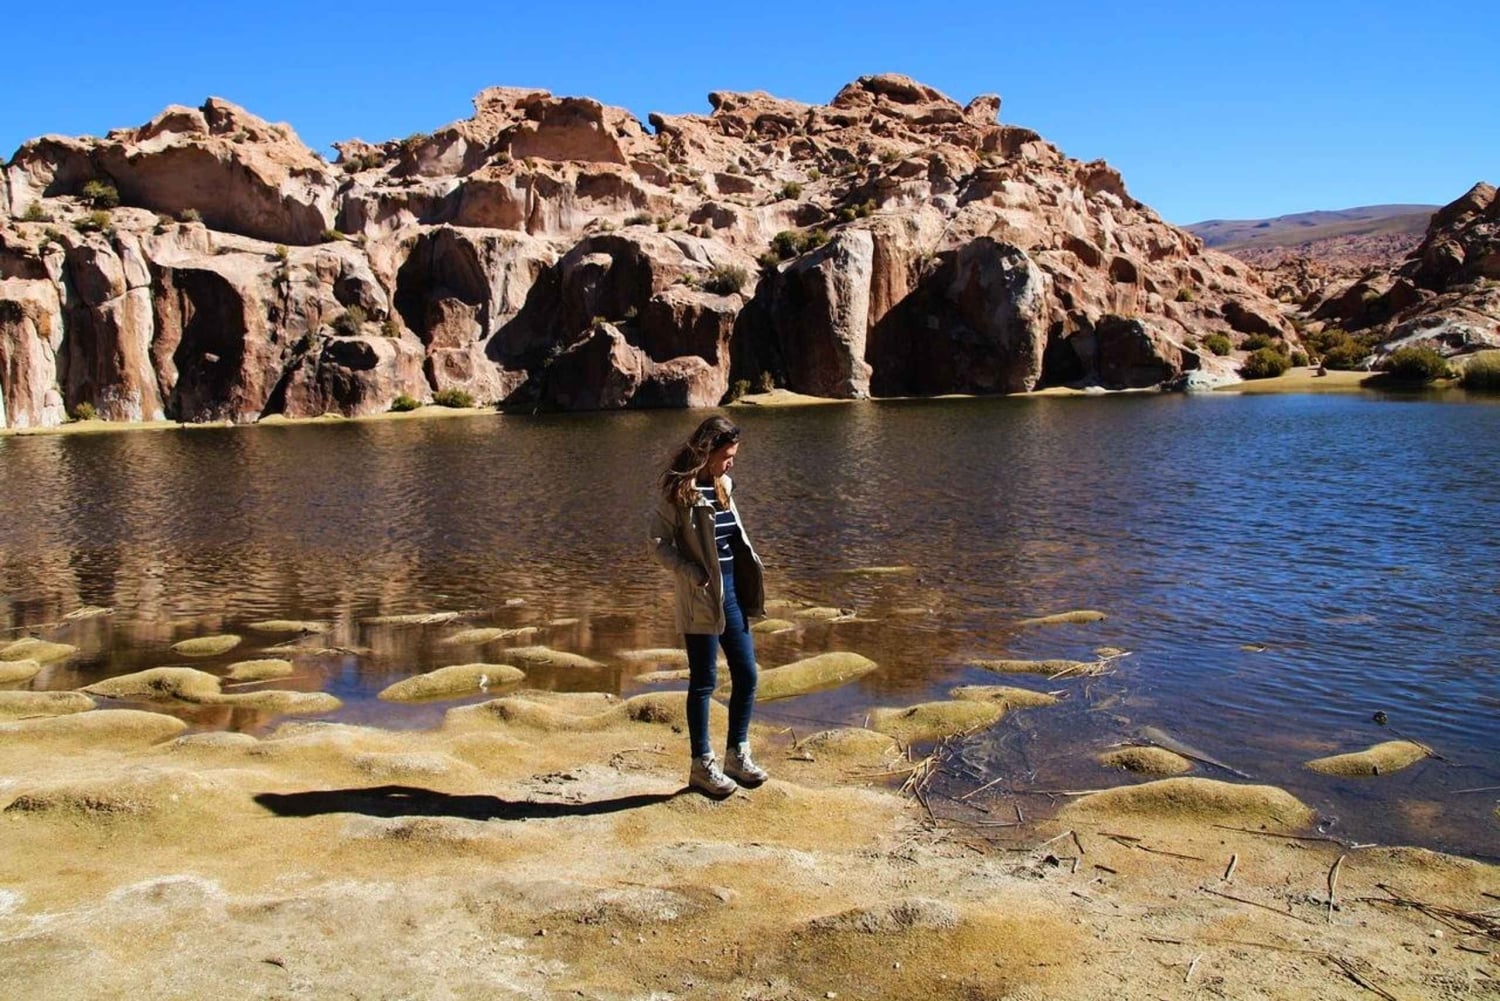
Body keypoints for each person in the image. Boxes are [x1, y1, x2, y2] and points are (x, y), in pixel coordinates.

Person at [647, 416, 769, 797]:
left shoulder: (723, 485)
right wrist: (689, 572)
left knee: (747, 674)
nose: (731, 462)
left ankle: (737, 755)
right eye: (726, 455)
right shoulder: (677, 492)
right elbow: (656, 541)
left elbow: (732, 540)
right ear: (707, 452)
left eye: (734, 455)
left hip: (732, 592)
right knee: (704, 682)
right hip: (700, 598)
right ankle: (702, 765)